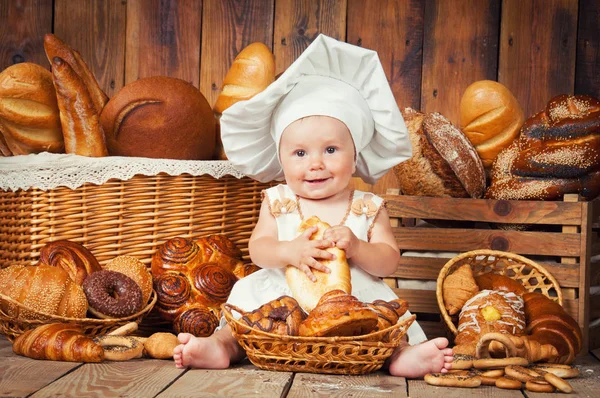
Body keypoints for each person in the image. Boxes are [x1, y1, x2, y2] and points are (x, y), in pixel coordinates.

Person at [173, 34, 453, 378]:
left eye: (331, 150)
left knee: (381, 322)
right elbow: (258, 249)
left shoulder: (367, 206)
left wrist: (358, 246)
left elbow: (388, 259)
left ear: (355, 158)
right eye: (300, 153)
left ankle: (401, 356)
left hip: (351, 296)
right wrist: (290, 251)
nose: (315, 164)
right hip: (282, 294)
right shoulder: (279, 201)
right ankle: (223, 346)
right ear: (281, 159)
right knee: (246, 310)